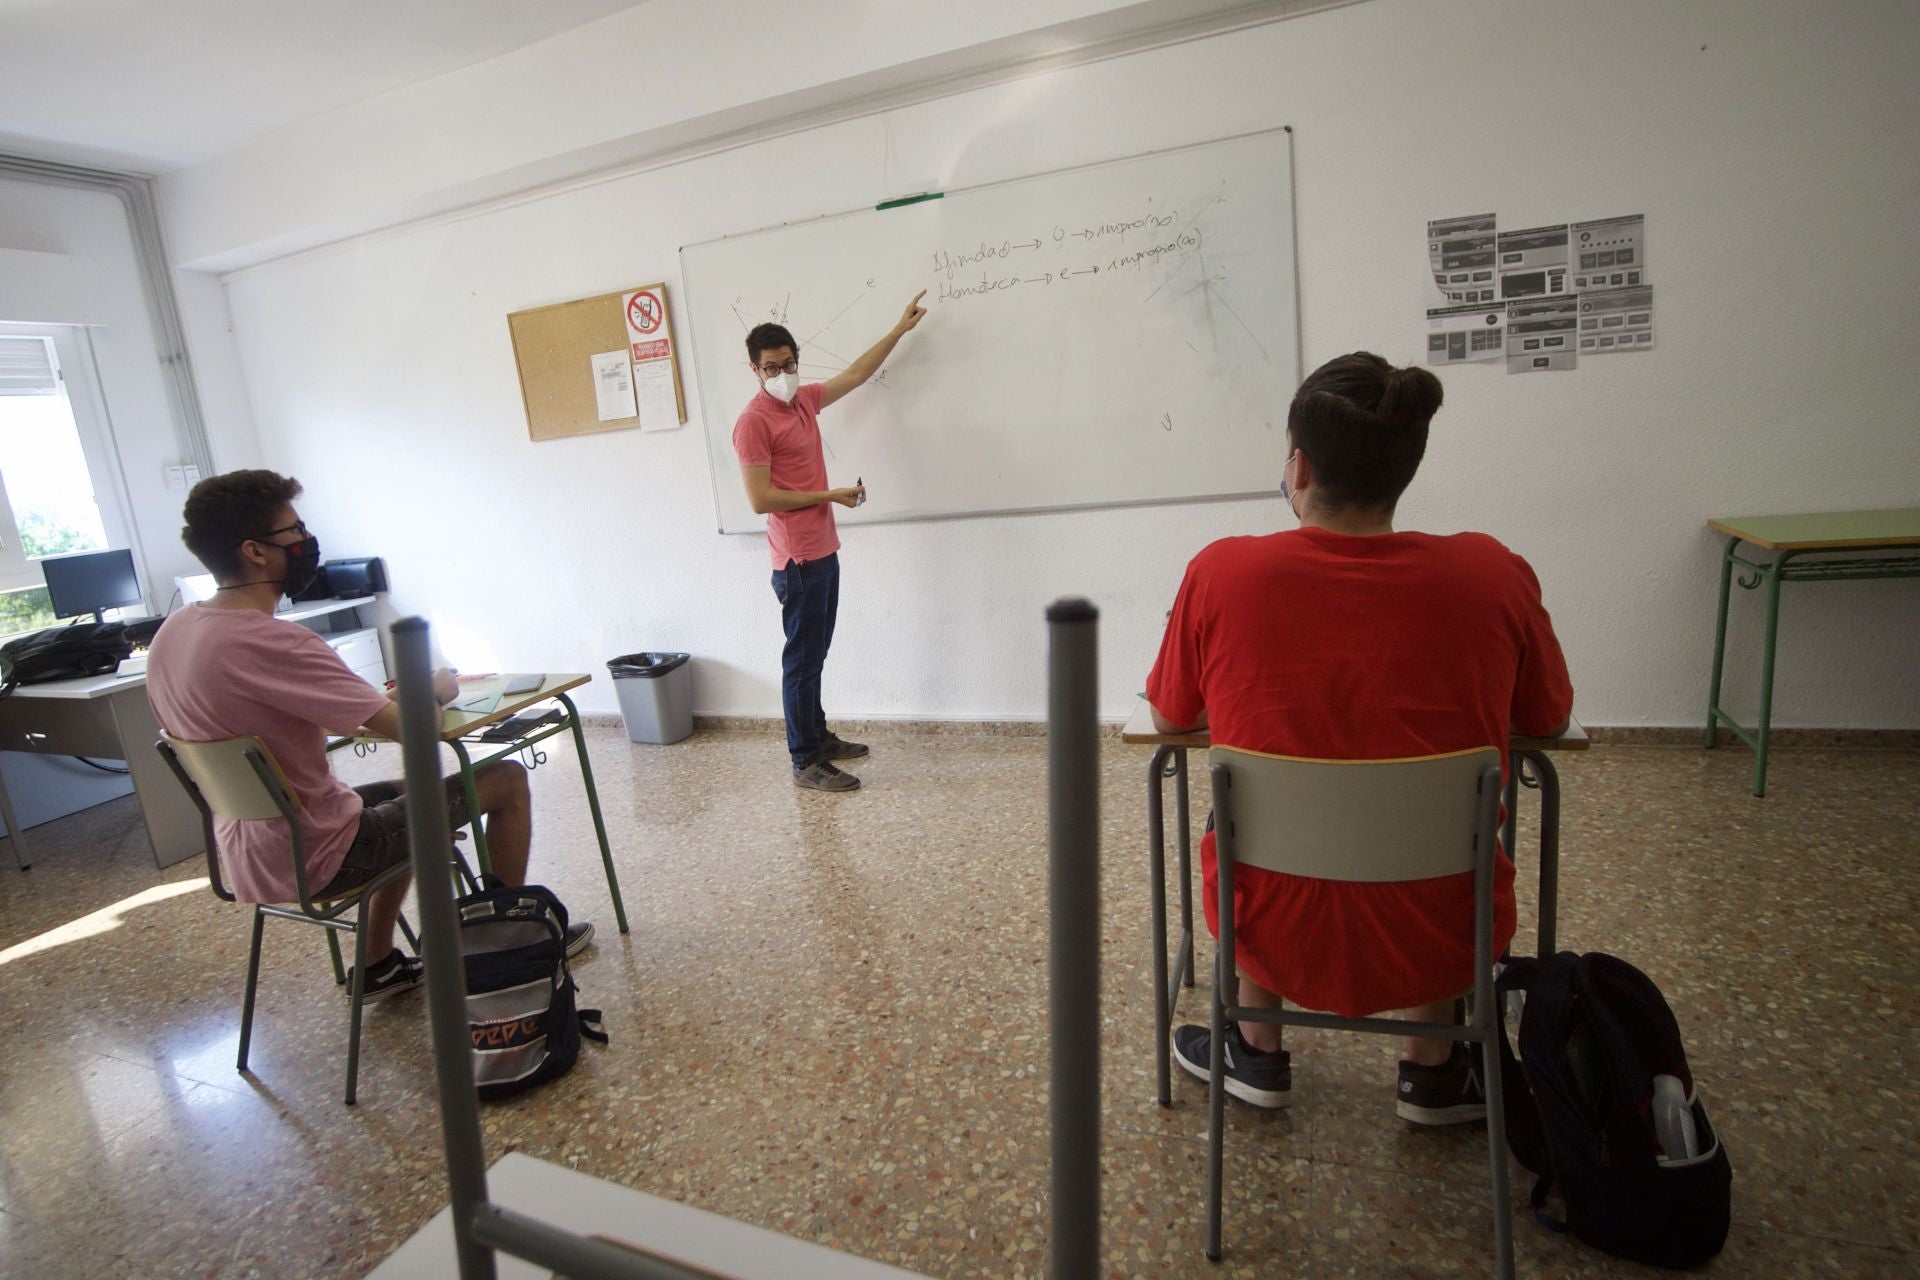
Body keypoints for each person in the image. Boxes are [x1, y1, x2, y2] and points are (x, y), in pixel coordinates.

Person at [1147, 352, 1572, 1122]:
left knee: (1239, 813)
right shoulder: (1493, 572)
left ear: (1299, 467)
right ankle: (1433, 1068)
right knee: (1453, 827)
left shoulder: (1220, 573)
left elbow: (1170, 719)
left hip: (1274, 924)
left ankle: (1258, 1049)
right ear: (1404, 469)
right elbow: (1546, 720)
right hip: (1442, 929)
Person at [147, 469, 591, 1000]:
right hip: (321, 854)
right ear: (255, 551)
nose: (306, 543)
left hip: (251, 846)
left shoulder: (173, 634)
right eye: (294, 532)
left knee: (405, 797)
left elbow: (349, 712)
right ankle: (508, 943)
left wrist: (395, 697)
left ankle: (377, 964)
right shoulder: (275, 642)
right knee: (505, 780)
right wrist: (440, 689)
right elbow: (417, 732)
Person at [733, 291, 928, 792]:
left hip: (823, 550)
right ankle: (805, 761)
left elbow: (857, 374)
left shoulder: (803, 402)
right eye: (772, 368)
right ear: (755, 370)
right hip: (796, 560)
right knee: (800, 661)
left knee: (815, 655)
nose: (783, 375)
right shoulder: (754, 422)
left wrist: (898, 330)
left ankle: (818, 736)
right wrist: (829, 495)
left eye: (790, 364)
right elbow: (760, 499)